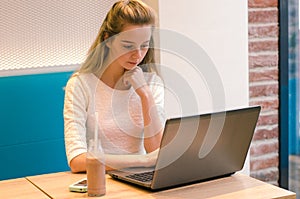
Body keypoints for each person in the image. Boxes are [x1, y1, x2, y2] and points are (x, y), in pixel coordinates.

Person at [64, 0, 165, 173]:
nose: (138, 55)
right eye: (128, 46)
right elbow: (77, 160)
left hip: (140, 177)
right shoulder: (81, 85)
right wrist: (142, 160)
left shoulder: (151, 83)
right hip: (99, 179)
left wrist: (145, 95)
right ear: (108, 40)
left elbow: (156, 151)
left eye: (144, 45)